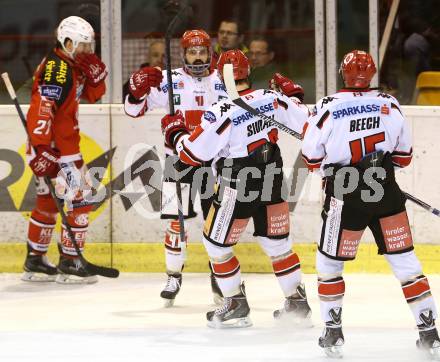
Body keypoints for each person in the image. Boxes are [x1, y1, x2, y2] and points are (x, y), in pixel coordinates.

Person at [301, 50, 440, 359]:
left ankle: (333, 332)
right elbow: (403, 158)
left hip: (345, 194)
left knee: (329, 264)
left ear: (342, 73)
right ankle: (429, 334)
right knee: (406, 262)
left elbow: (311, 159)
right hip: (386, 193)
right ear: (372, 74)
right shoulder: (390, 105)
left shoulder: (326, 107)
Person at [161, 49, 311, 328]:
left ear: (220, 75)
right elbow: (309, 123)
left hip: (238, 182)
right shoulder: (271, 98)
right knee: (277, 244)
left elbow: (191, 155)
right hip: (273, 178)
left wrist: (175, 132)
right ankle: (297, 303)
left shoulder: (219, 112)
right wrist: (294, 98)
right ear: (249, 71)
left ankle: (235, 305)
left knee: (215, 244)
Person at [124, 29, 228, 307]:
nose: (198, 57)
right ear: (183, 54)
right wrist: (135, 91)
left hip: (213, 165)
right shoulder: (168, 81)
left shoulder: (223, 80)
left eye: (202, 51)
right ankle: (173, 276)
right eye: (192, 52)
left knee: (215, 225)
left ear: (210, 52)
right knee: (175, 224)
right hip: (177, 164)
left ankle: (219, 278)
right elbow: (133, 111)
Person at [23, 16, 108, 284]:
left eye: (89, 45)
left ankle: (35, 260)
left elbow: (94, 96)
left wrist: (96, 78)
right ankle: (71, 262)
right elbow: (41, 109)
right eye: (83, 45)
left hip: (57, 147)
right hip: (55, 150)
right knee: (80, 201)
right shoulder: (57, 70)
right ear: (67, 42)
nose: (87, 51)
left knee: (48, 204)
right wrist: (40, 149)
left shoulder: (74, 65)